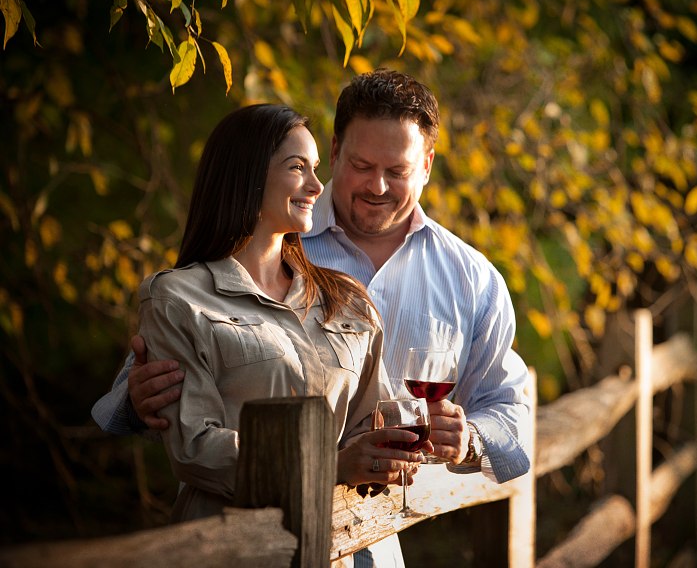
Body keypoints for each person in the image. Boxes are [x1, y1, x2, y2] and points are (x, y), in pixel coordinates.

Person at [93, 71, 533, 565]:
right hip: (246, 542)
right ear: (337, 147)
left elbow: (509, 413)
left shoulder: (469, 278)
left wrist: (467, 440)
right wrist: (133, 402)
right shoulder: (243, 251)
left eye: (397, 170)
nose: (377, 185)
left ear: (427, 164)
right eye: (362, 165)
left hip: (373, 541)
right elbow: (165, 397)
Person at [122, 104, 425, 526]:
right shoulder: (176, 298)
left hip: (341, 538)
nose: (318, 185)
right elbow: (195, 449)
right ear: (247, 174)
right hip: (232, 544)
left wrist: (401, 446)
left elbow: (370, 420)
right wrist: (330, 465)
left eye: (317, 167)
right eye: (298, 166)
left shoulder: (348, 299)